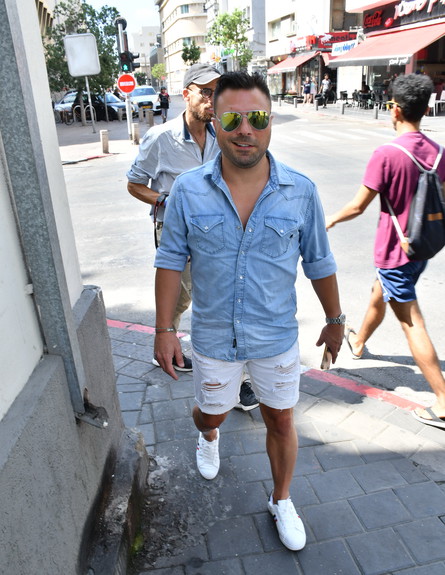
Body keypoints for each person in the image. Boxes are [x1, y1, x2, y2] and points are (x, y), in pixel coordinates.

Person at [153, 71, 344, 550]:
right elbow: (170, 260)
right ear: (214, 122)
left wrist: (335, 320)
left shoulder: (301, 192)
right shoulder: (187, 191)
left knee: (281, 420)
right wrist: (164, 329)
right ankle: (208, 435)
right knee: (211, 415)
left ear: (271, 122)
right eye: (232, 119)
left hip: (275, 337)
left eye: (257, 118)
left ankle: (281, 499)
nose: (245, 130)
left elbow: (320, 262)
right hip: (214, 338)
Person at [126, 63, 258, 409]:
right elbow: (134, 184)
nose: (213, 99)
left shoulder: (222, 134)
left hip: (217, 233)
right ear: (186, 94)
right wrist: (167, 201)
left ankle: (238, 381)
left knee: (224, 299)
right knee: (184, 296)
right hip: (175, 232)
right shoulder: (161, 138)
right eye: (205, 92)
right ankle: (167, 341)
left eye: (218, 92)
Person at [326, 73, 445, 430]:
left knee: (411, 322)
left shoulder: (387, 154)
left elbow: (358, 206)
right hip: (423, 247)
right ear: (425, 109)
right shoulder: (439, 153)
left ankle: (442, 400)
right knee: (381, 292)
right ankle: (359, 341)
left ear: (394, 109)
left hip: (396, 252)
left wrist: (329, 220)